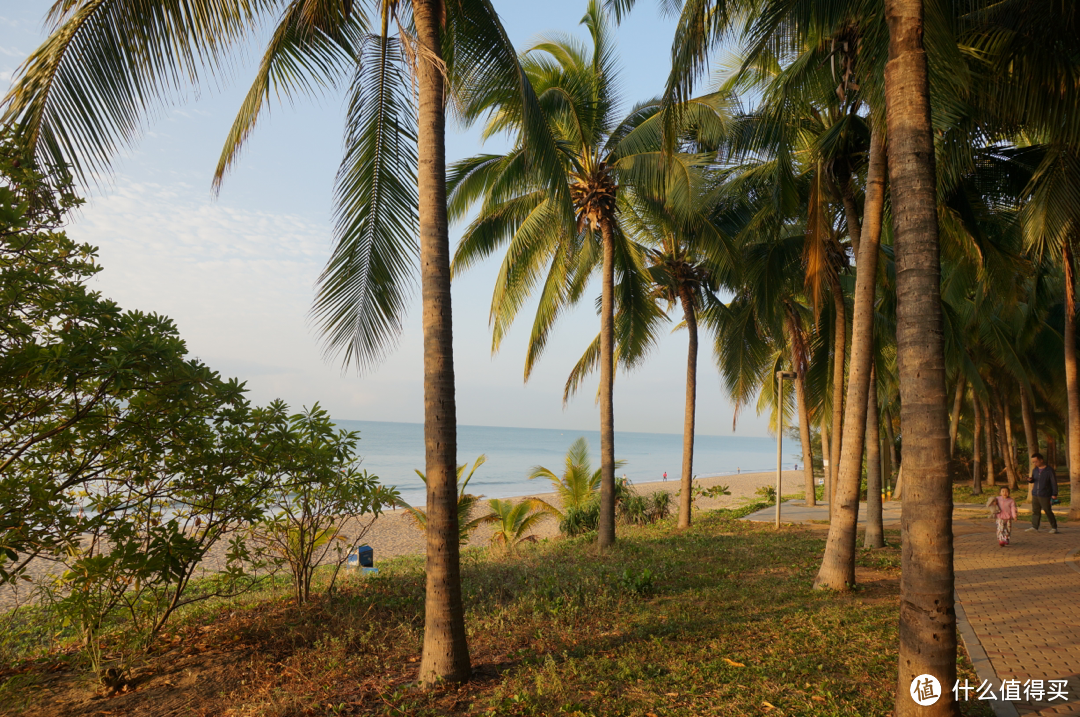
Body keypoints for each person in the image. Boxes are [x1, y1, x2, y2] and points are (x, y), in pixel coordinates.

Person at [1026, 452, 1059, 533]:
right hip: (1035, 494)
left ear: (1041, 460)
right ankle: (1034, 527)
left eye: (1036, 461)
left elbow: (1054, 483)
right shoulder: (1035, 470)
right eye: (1033, 462)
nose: (1034, 463)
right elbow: (1034, 479)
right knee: (1035, 511)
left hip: (1045, 494)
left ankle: (1054, 527)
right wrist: (1030, 480)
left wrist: (1054, 494)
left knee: (1047, 511)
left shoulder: (1049, 470)